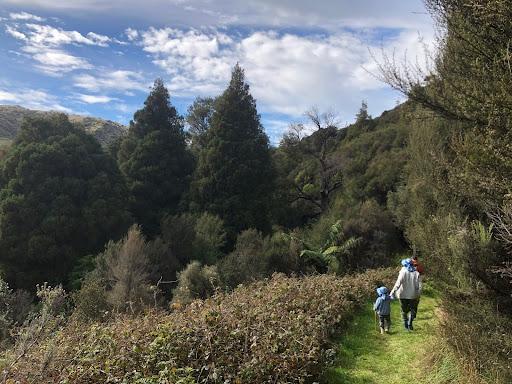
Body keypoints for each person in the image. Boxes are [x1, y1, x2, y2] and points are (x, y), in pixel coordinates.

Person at [390, 258, 422, 331]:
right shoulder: (417, 273)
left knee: (404, 310)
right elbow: (420, 286)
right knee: (413, 309)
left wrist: (392, 292)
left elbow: (398, 283)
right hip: (413, 295)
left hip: (402, 295)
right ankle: (410, 323)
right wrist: (418, 294)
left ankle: (405, 324)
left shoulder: (403, 272)